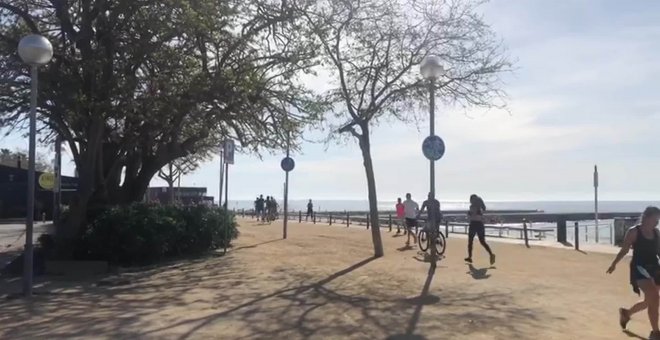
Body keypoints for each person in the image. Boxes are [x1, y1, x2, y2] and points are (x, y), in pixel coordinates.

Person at [607, 206, 660, 340]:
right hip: (639, 268)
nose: (657, 222)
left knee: (650, 300)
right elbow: (624, 250)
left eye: (658, 219)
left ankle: (626, 313)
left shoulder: (657, 233)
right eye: (655, 219)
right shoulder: (634, 232)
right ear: (646, 217)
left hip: (655, 269)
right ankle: (655, 333)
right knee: (654, 297)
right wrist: (614, 264)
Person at [464, 194, 495, 265]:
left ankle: (470, 257)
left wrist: (469, 214)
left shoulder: (473, 207)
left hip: (474, 224)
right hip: (480, 225)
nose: (470, 201)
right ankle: (490, 254)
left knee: (471, 242)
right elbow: (479, 216)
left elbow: (471, 216)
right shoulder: (480, 207)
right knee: (482, 242)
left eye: (471, 199)